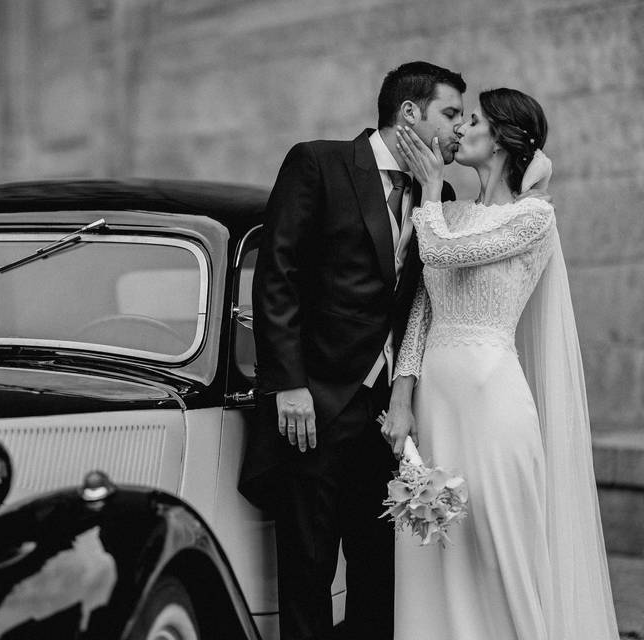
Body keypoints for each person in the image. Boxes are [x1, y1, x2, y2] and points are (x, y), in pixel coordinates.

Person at [239, 61, 465, 640]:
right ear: (409, 113)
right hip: (310, 405)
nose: (461, 128)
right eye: (451, 113)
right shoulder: (319, 162)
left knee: (377, 569)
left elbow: (421, 301)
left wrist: (405, 394)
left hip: (385, 413)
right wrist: (288, 384)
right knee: (309, 569)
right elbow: (277, 277)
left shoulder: (442, 194)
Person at [384, 88, 620, 639]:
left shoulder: (534, 217)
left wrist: (429, 189)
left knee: (497, 552)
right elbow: (421, 313)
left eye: (474, 120)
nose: (461, 129)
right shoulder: (449, 213)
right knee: (433, 552)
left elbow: (443, 252)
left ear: (504, 141)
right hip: (434, 405)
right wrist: (402, 395)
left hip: (492, 403)